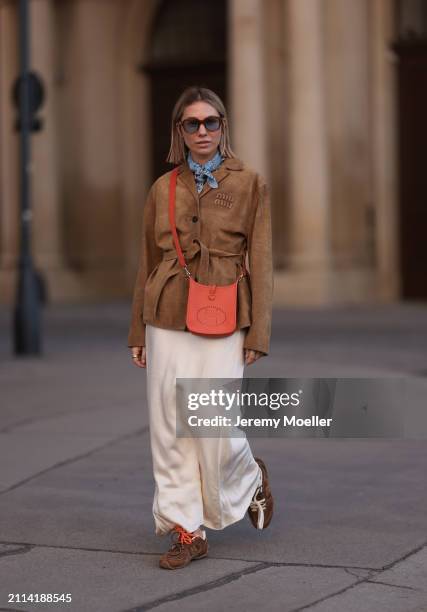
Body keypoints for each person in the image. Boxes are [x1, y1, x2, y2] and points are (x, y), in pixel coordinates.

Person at [128, 86, 274, 570]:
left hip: (226, 312)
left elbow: (264, 263)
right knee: (169, 427)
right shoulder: (162, 188)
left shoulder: (250, 183)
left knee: (214, 423)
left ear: (223, 127)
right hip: (165, 314)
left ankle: (249, 477)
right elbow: (147, 263)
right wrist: (136, 333)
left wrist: (259, 333)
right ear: (180, 132)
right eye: (192, 124)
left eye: (211, 122)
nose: (203, 132)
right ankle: (186, 531)